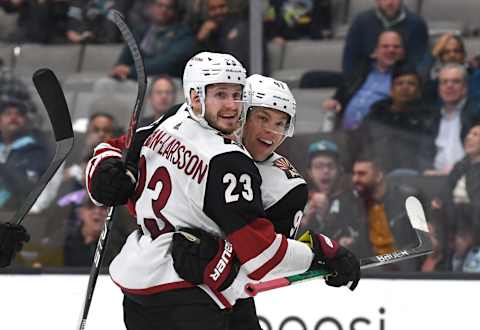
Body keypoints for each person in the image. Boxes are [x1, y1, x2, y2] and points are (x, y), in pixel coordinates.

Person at [85, 52, 360, 329]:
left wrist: (320, 250)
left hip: (177, 285)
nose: (270, 132)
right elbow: (121, 150)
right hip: (187, 292)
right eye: (262, 118)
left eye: (280, 123)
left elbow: (261, 259)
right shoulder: (217, 150)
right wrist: (107, 174)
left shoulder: (285, 185)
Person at [322, 30, 405, 130]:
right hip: (344, 134)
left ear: (402, 53)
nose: (391, 50)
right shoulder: (360, 71)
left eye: (396, 47)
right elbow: (340, 95)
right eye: (385, 46)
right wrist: (334, 101)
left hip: (380, 136)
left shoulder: (405, 78)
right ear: (375, 52)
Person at [342, 0, 428, 76]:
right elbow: (350, 60)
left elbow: (418, 61)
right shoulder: (360, 22)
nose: (390, 2)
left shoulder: (417, 24)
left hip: (401, 82)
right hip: (366, 79)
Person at [424, 64, 480, 175]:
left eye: (456, 81)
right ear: (439, 88)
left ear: (465, 87)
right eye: (444, 82)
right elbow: (423, 154)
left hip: (469, 177)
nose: (449, 86)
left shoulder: (477, 113)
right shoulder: (430, 118)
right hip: (435, 177)